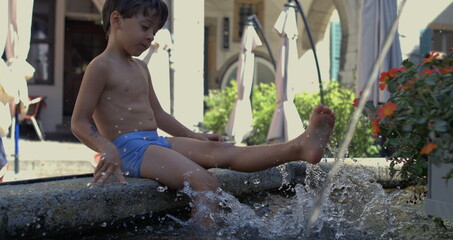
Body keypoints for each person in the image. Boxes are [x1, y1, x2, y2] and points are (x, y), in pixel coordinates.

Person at [71, 0, 335, 225]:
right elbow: (79, 122)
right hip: (127, 150)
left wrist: (195, 136)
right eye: (145, 27)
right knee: (204, 183)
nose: (152, 35)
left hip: (153, 142)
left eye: (156, 29)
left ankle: (299, 147)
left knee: (224, 152)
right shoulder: (100, 67)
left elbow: (159, 115)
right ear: (116, 20)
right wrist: (106, 148)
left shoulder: (141, 68)